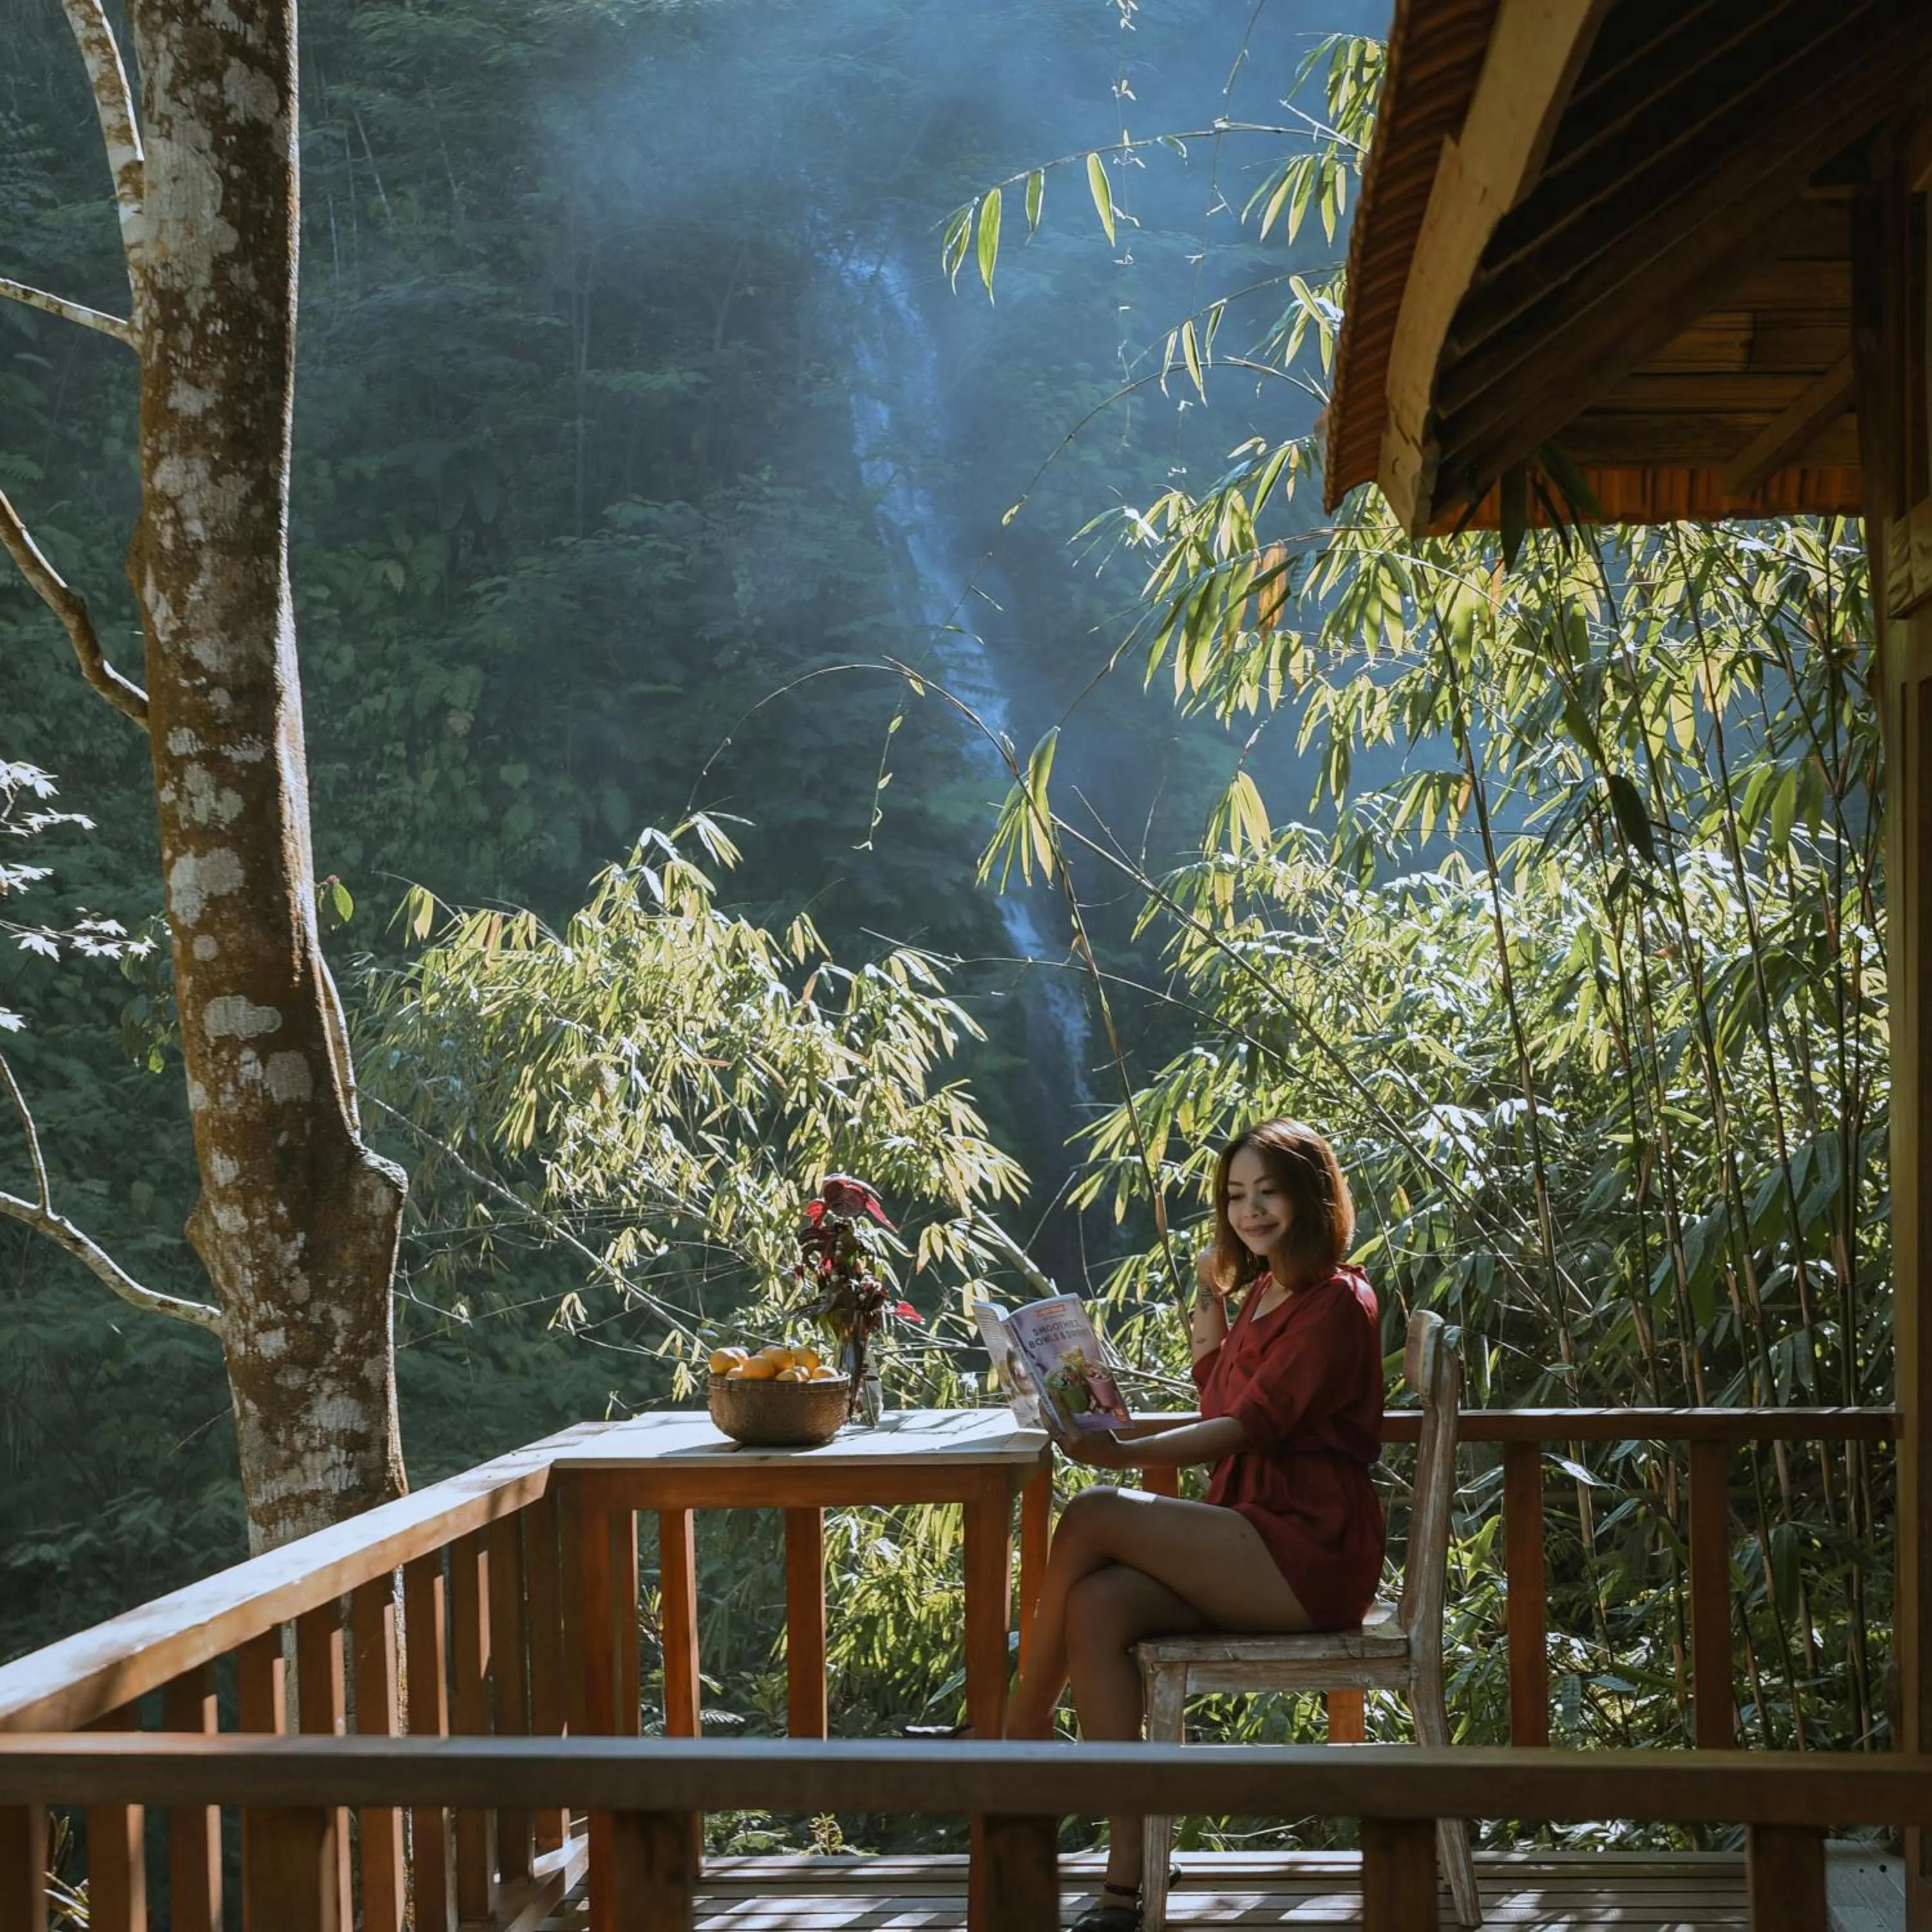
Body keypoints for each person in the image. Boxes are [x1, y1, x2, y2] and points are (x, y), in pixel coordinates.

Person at [1008, 1118, 1387, 1932]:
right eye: (1236, 1196)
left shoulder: (1336, 1303)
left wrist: (1110, 1458)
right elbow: (1224, 1405)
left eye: (1269, 1193)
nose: (1250, 1211)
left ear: (1314, 1198)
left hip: (1309, 1548)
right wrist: (1203, 1345)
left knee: (1093, 1512)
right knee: (1097, 1606)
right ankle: (1129, 1867)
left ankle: (1018, 1730)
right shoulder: (1265, 1289)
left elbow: (1248, 1429)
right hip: (1249, 1534)